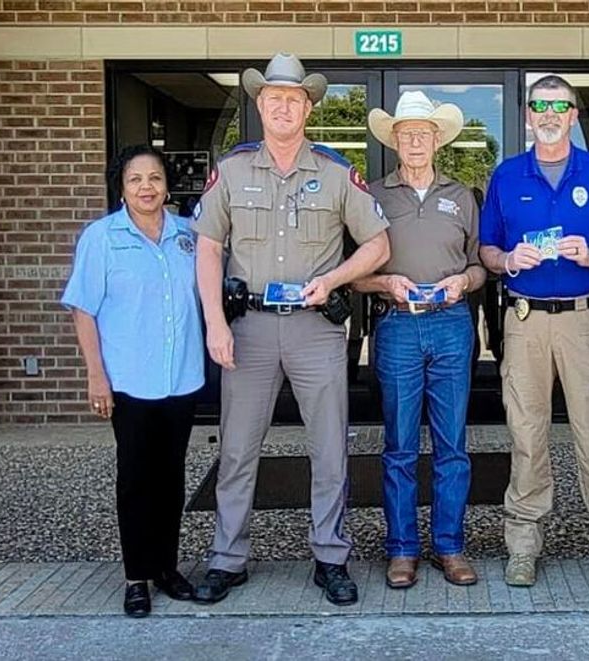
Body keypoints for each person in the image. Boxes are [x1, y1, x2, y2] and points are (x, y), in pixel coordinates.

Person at [192, 53, 390, 607]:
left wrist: (334, 278)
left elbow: (379, 244)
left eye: (293, 98)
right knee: (236, 450)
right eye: (273, 97)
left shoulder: (335, 171)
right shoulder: (232, 170)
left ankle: (330, 555)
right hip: (248, 328)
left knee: (328, 449)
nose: (283, 106)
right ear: (260, 105)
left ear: (307, 107)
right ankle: (228, 558)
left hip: (314, 331)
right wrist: (214, 322)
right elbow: (207, 248)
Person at [478, 75, 589, 587]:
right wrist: (506, 259)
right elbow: (485, 249)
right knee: (527, 435)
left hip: (584, 318)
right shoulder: (506, 176)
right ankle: (523, 545)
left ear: (572, 115)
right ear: (528, 116)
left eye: (560, 106)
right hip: (524, 320)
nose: (549, 114)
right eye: (540, 106)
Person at [62, 145, 203, 618]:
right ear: (121, 187)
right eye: (135, 179)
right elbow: (84, 310)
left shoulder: (188, 235)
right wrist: (95, 375)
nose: (147, 187)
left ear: (167, 185)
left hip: (181, 377)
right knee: (137, 481)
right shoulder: (102, 238)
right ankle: (136, 576)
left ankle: (166, 566)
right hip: (128, 381)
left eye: (155, 178)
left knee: (172, 480)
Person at [353, 90, 487, 589]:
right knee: (400, 445)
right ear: (394, 140)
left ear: (437, 140)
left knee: (453, 444)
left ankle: (451, 547)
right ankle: (403, 549)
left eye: (423, 133)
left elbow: (479, 266)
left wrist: (464, 283)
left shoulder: (463, 195)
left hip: (452, 323)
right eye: (406, 133)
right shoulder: (373, 196)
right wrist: (384, 282)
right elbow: (355, 273)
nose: (414, 140)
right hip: (398, 326)